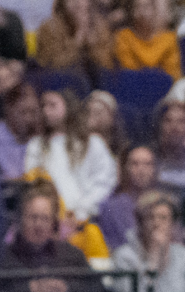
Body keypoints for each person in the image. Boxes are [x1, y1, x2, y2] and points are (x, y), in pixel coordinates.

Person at [0, 182, 112, 292]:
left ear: (53, 223)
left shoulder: (71, 254)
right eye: (33, 218)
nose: (38, 225)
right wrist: (29, 289)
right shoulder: (0, 258)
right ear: (19, 220)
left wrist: (67, 288)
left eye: (45, 219)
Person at [22, 89, 118, 221]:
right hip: (50, 217)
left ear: (68, 106)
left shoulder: (93, 143)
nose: (46, 111)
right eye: (43, 106)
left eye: (52, 105)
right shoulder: (36, 145)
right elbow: (34, 179)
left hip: (86, 217)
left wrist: (82, 210)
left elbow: (104, 181)